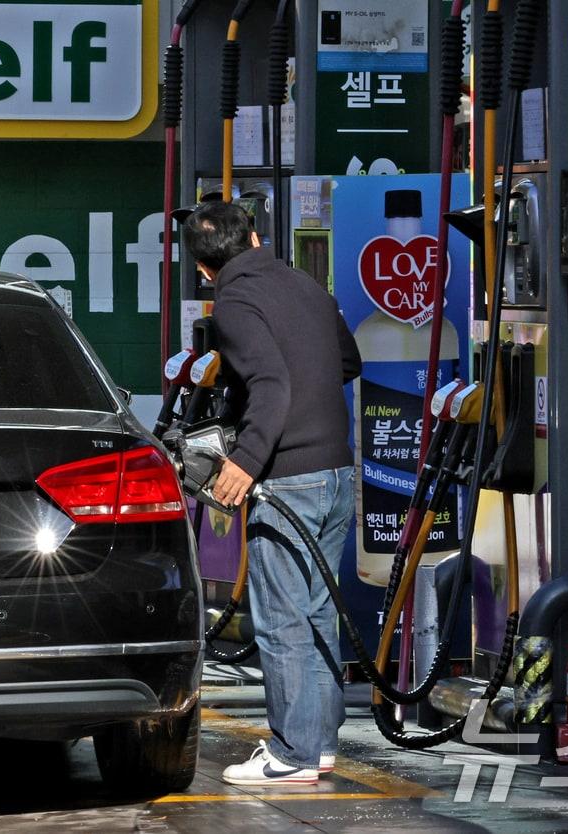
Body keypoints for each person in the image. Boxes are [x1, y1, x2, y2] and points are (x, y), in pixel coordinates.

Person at [180, 201, 360, 786]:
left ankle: (292, 754)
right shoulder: (307, 285)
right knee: (318, 611)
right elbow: (348, 361)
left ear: (204, 271)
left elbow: (272, 382)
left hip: (287, 477)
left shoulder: (232, 304)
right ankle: (320, 743)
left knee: (281, 617)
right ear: (255, 237)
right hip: (337, 473)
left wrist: (247, 461)